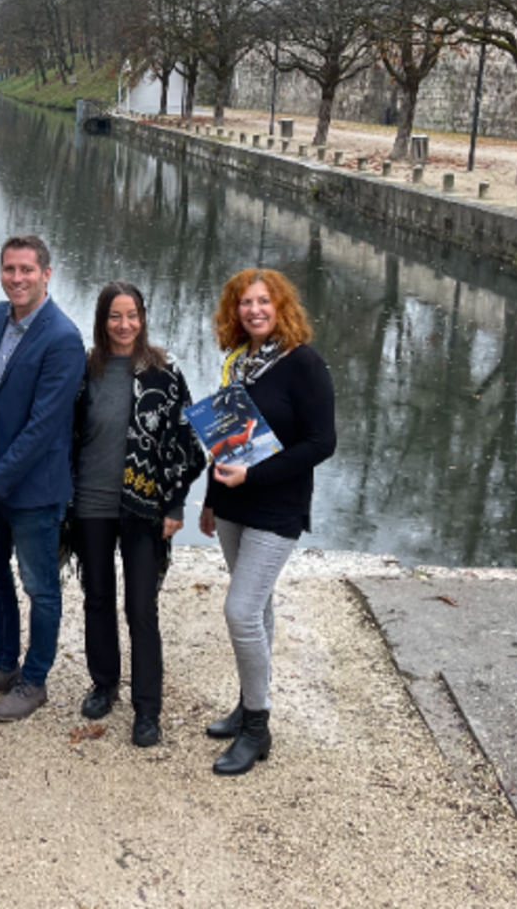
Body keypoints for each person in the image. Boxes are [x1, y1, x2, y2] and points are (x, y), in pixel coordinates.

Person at [199, 268, 336, 775]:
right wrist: (213, 498)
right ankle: (246, 702)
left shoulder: (304, 364)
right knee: (259, 608)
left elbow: (322, 444)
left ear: (282, 307)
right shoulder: (238, 363)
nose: (253, 311)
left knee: (240, 611)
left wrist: (251, 476)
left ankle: (258, 727)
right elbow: (227, 439)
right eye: (244, 303)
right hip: (234, 506)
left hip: (277, 509)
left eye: (263, 302)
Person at [0, 235, 85, 722]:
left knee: (40, 587)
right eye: (9, 269)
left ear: (47, 274)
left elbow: (42, 427)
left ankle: (34, 680)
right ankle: (3, 663)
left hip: (31, 489)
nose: (17, 278)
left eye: (27, 270)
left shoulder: (63, 338)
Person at [72, 281, 206, 747]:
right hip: (90, 500)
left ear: (143, 318)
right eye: (115, 316)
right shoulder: (86, 368)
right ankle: (104, 682)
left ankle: (148, 708)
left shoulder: (165, 373)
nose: (124, 325)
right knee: (98, 597)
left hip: (145, 506)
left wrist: (175, 503)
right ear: (102, 320)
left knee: (141, 607)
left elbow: (189, 444)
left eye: (132, 316)